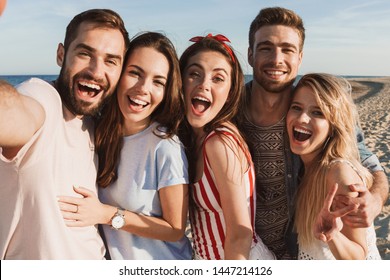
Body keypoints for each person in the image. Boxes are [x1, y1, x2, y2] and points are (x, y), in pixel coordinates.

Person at [237, 6, 389, 259]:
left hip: (301, 247)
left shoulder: (315, 102)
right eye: (266, 48)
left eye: (287, 49)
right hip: (256, 252)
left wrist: (374, 201)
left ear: (300, 58)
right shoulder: (230, 111)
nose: (276, 59)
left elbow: (366, 160)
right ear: (251, 55)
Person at [0, 9, 129, 259]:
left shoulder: (95, 124)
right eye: (84, 53)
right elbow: (12, 113)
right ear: (61, 55)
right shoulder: (42, 98)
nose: (96, 71)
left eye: (110, 61)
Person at [57, 32, 192, 260]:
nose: (143, 88)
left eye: (158, 82)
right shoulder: (97, 131)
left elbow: (175, 228)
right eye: (135, 73)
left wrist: (107, 214)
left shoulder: (165, 146)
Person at [179, 34, 275, 260]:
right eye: (194, 74)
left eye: (218, 78)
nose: (204, 84)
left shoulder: (219, 142)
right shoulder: (195, 139)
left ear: (231, 91)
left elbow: (240, 234)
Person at [287, 73, 381, 259]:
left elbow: (358, 258)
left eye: (317, 112)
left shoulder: (338, 174)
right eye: (296, 108)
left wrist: (333, 236)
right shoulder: (304, 169)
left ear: (333, 127)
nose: (302, 119)